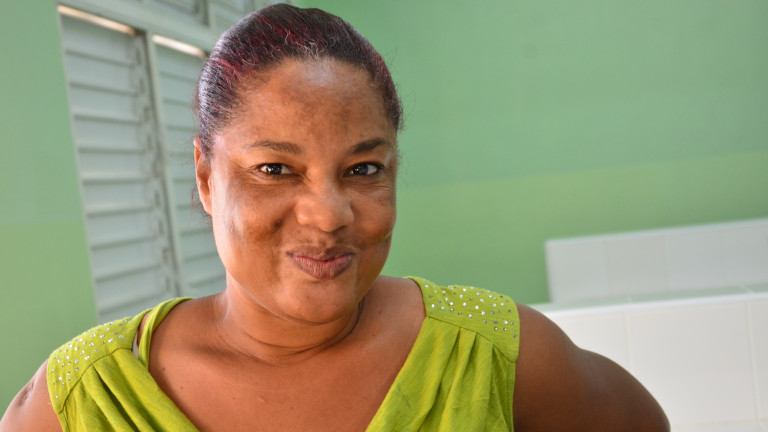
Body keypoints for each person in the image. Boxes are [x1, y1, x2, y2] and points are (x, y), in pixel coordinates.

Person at [0, 4, 669, 431]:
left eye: (364, 169)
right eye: (274, 169)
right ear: (205, 176)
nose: (327, 216)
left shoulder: (493, 359)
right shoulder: (84, 401)